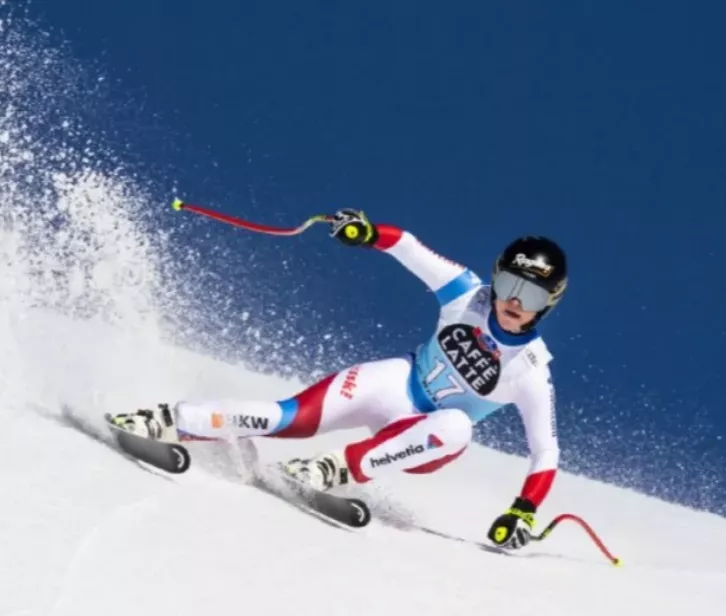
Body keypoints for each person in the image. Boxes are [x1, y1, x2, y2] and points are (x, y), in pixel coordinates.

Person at [110, 208, 567, 550]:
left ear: (549, 303)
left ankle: (335, 468)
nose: (513, 300)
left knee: (457, 426)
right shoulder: (467, 295)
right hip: (398, 383)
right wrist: (368, 233)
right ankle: (167, 419)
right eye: (509, 284)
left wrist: (522, 510)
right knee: (288, 416)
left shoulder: (529, 369)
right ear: (496, 279)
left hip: (427, 436)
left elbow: (544, 450)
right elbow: (408, 246)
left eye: (530, 294)